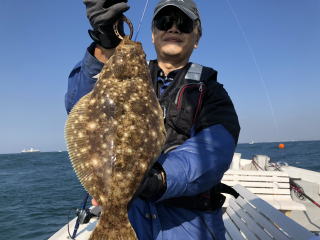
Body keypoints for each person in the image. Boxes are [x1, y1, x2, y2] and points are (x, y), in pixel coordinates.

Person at [65, 0, 240, 239]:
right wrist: (105, 44)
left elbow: (214, 150)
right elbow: (81, 104)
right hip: (132, 216)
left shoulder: (210, 92)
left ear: (197, 37)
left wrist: (159, 179)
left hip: (188, 224)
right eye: (164, 22)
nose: (174, 29)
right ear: (153, 34)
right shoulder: (126, 70)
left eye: (184, 24)